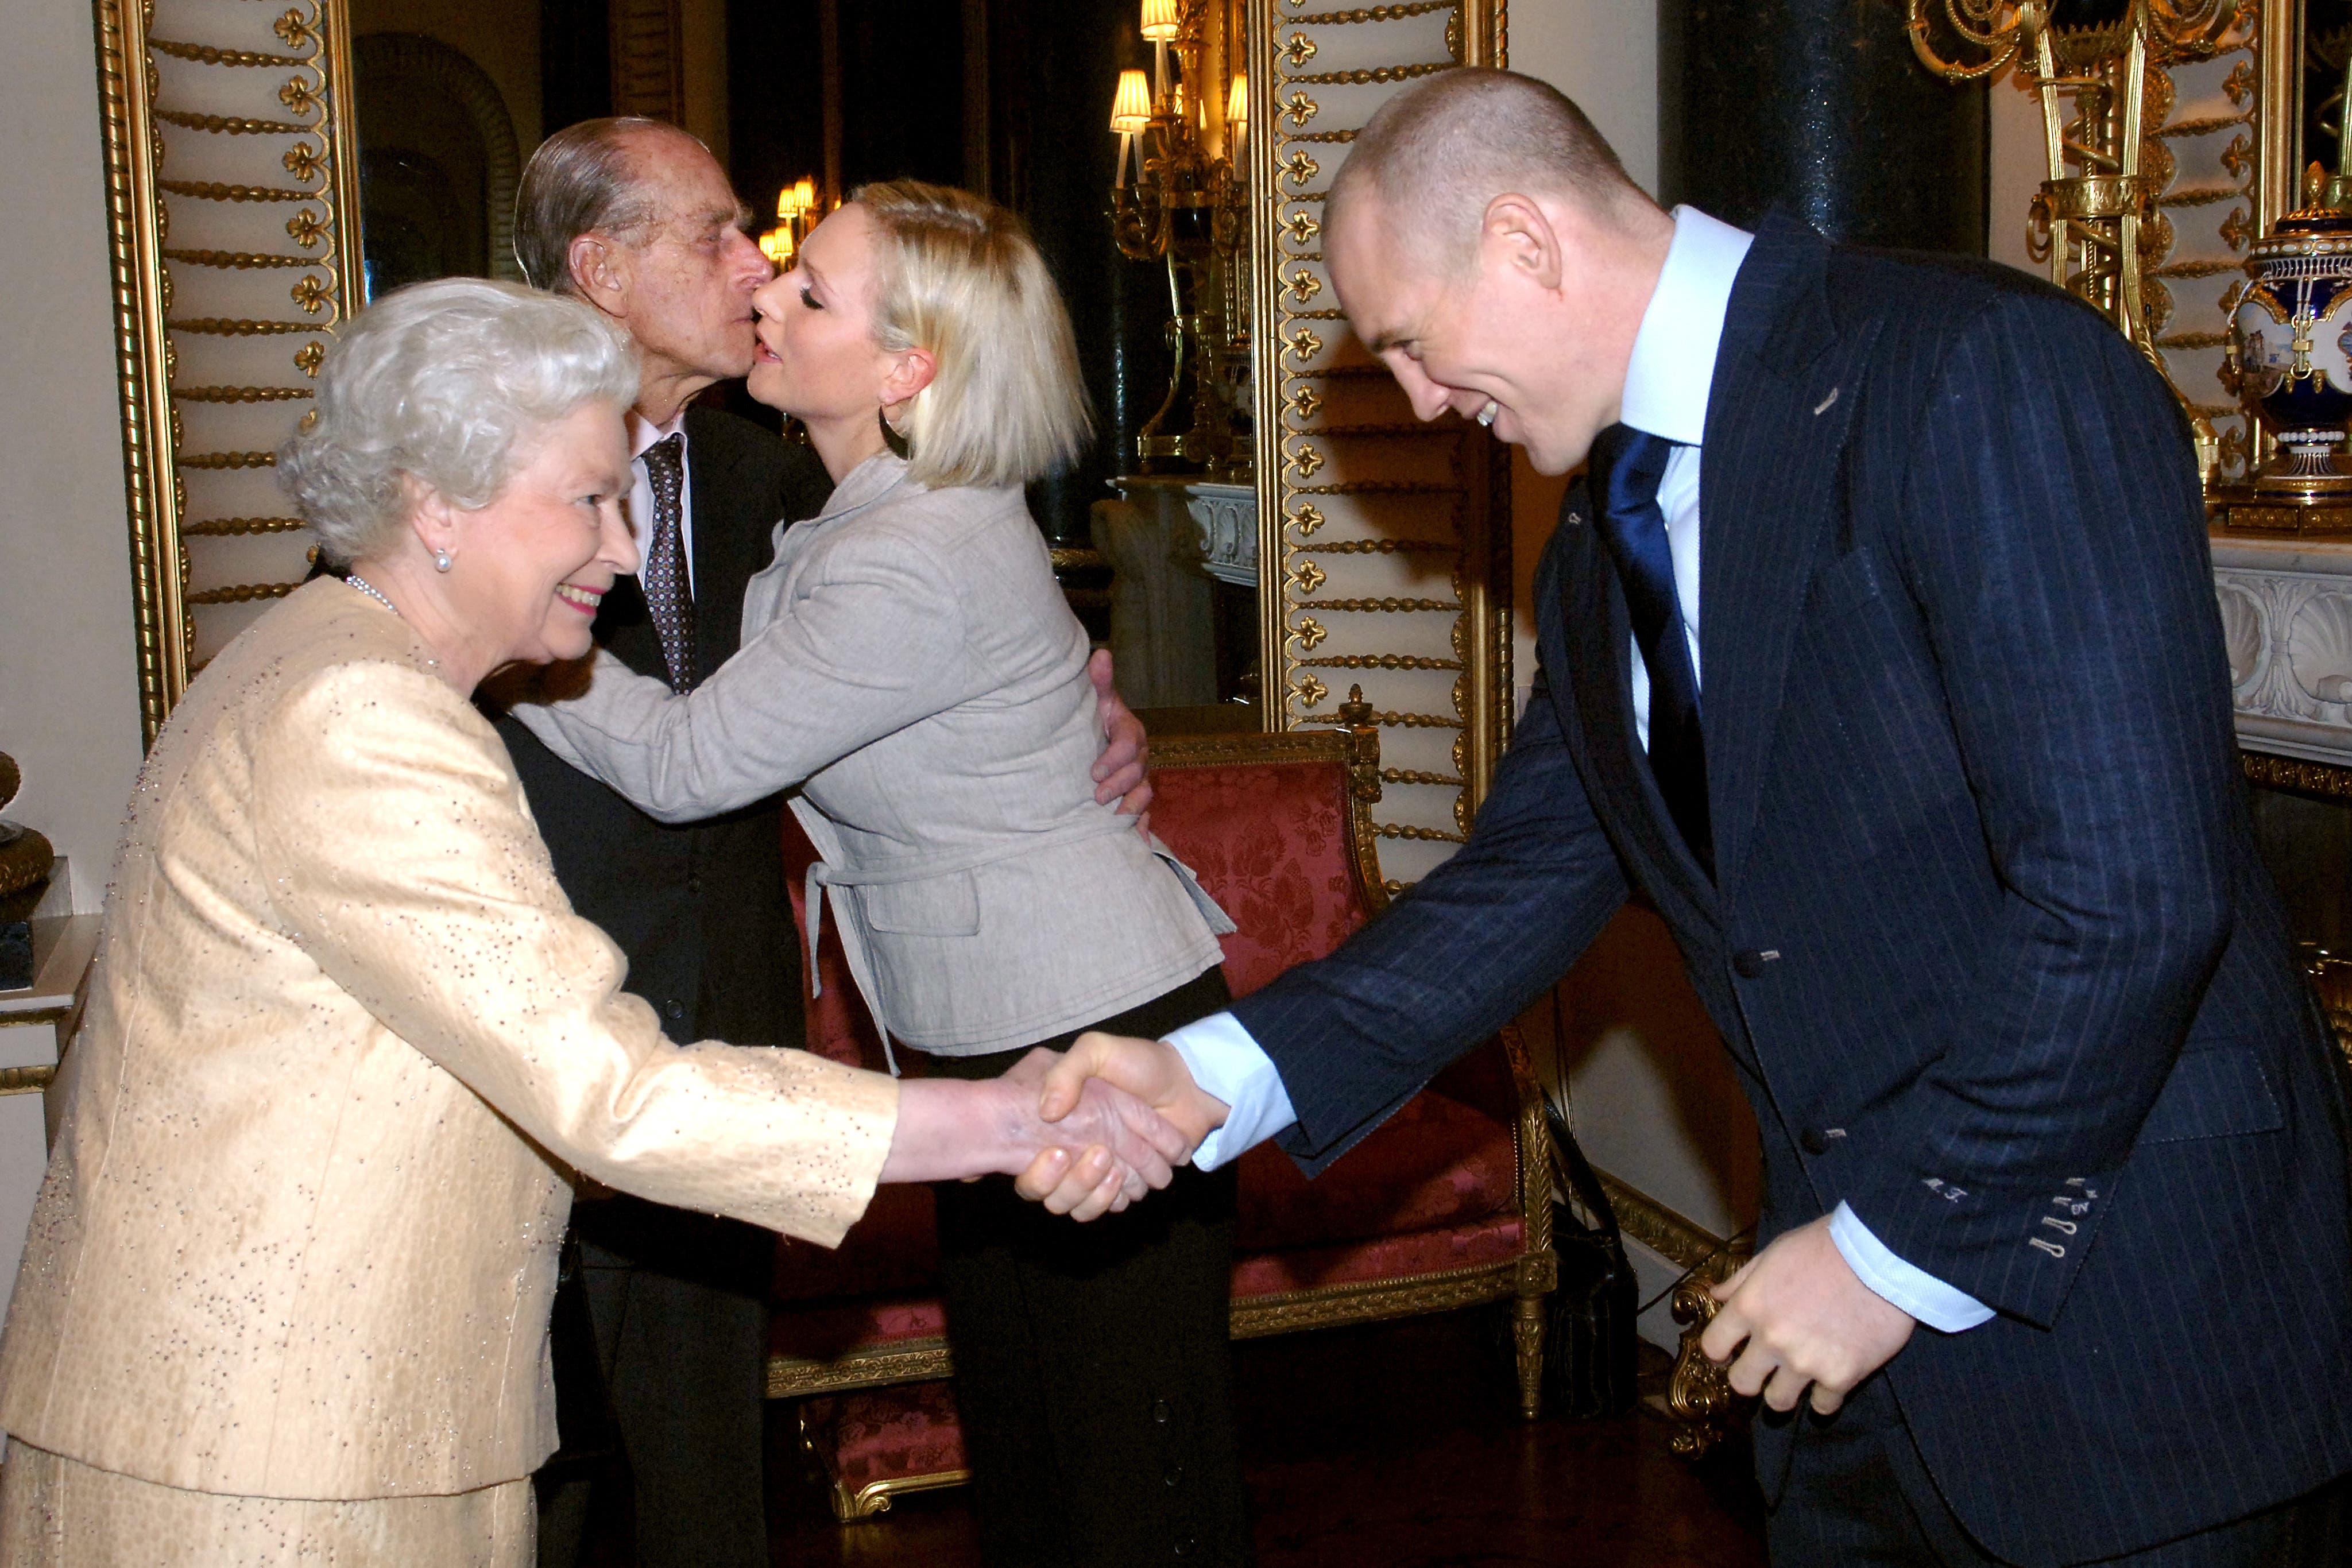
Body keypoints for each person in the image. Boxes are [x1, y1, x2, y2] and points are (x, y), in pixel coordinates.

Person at [1045, 67, 2352, 1567]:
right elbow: (1531, 873)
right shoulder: (1601, 546)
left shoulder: (1977, 368)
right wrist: (1212, 1074)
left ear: (1527, 241)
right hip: (1848, 1378)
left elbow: (2135, 888)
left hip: (2137, 1339)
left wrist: (1893, 1252)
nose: (1414, 400)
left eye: (1408, 340)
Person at [0, 278, 1188, 1567]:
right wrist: (1009, 1116)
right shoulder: (362, 717)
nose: (625, 551)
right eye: (587, 499)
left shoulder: (322, 654)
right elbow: (610, 1094)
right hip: (275, 1457)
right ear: (435, 503)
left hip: (288, 1420)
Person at [516, 181, 1252, 1567]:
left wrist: (503, 632)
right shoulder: (849, 507)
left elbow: (687, 763)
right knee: (1035, 1455)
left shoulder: (913, 550)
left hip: (1089, 1029)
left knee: (1133, 1477)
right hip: (985, 1038)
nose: (766, 297)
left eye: (811, 293)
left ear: (908, 369)